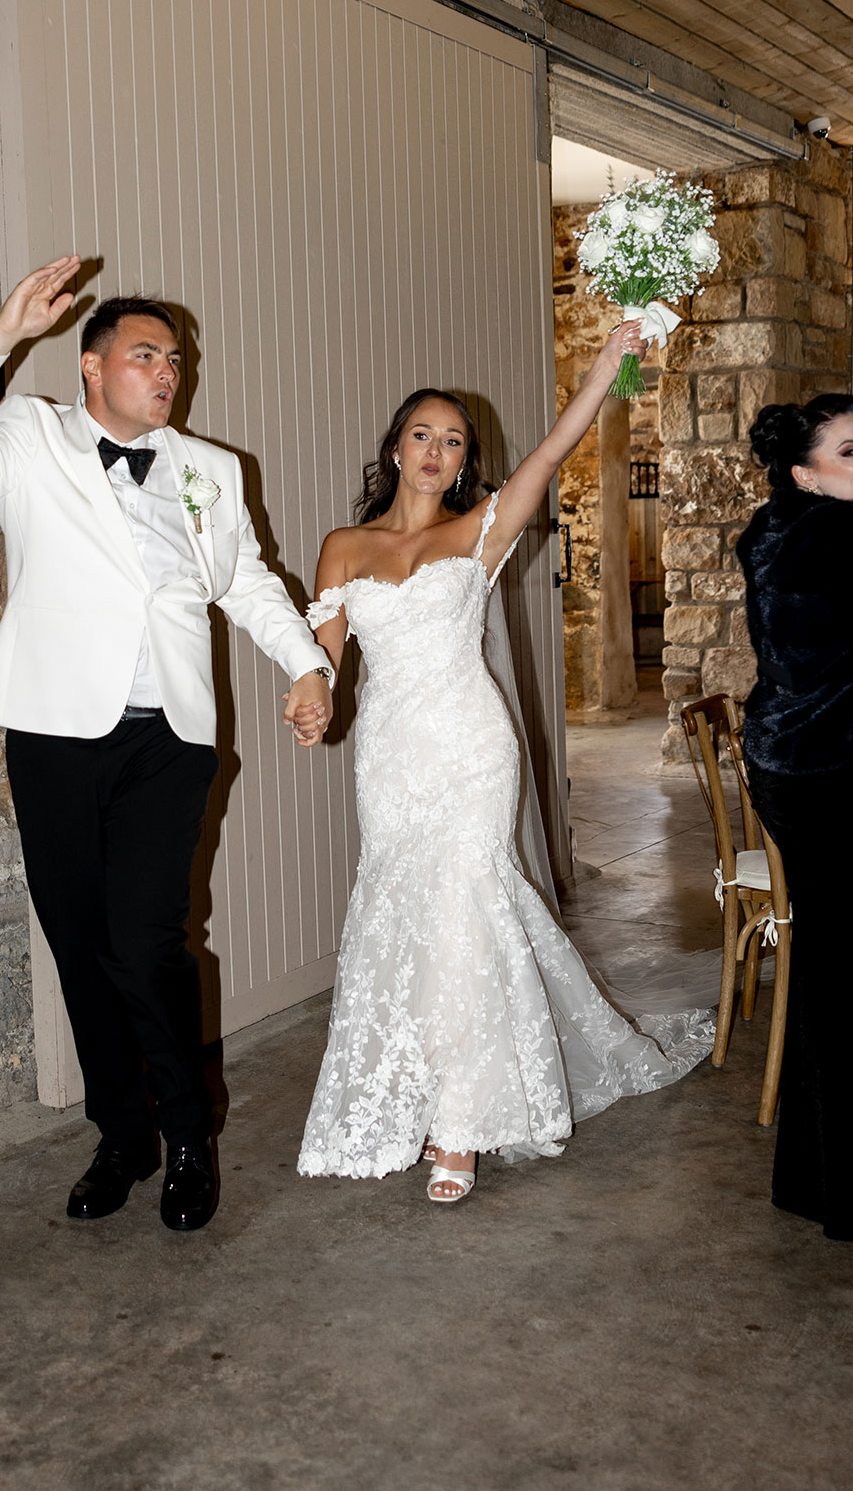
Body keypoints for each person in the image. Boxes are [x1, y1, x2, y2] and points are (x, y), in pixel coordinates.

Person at [0, 257, 334, 1232]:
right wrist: (0, 337)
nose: (166, 372)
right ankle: (120, 1135)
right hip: (55, 736)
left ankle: (186, 1134)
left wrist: (305, 666)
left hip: (169, 741)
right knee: (82, 946)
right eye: (146, 355)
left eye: (174, 360)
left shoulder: (210, 472)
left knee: (148, 942)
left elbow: (250, 583)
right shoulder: (29, 439)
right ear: (93, 367)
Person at [297, 323, 714, 1202]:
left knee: (465, 910)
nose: (436, 451)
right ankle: (404, 1098)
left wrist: (608, 365)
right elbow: (327, 657)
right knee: (401, 910)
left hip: (471, 745)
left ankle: (464, 1124)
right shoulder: (343, 545)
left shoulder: (481, 532)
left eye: (453, 441)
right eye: (423, 434)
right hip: (392, 753)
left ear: (462, 462)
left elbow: (558, 447)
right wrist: (315, 695)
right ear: (395, 446)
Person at [737, 394, 853, 1242]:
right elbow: (802, 653)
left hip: (798, 765)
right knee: (848, 971)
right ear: (804, 474)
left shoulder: (786, 526)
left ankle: (820, 1183)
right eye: (851, 453)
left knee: (838, 966)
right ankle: (845, 1190)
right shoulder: (835, 533)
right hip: (813, 772)